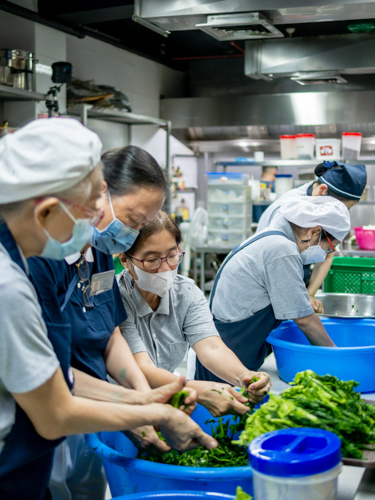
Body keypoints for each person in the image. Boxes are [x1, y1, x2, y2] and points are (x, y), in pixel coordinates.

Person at [0, 119, 216, 500]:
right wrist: (154, 412)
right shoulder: (13, 284)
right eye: (88, 213)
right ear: (46, 212)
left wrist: (140, 397)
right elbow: (54, 413)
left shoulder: (22, 256)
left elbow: (62, 369)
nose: (94, 225)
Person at [117, 211, 272, 417]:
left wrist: (245, 377)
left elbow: (212, 348)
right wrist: (196, 389)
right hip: (122, 403)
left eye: (172, 256)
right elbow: (141, 368)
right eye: (152, 260)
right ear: (125, 260)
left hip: (169, 396)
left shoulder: (186, 292)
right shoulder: (115, 299)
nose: (165, 269)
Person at [195, 196, 351, 383]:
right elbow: (304, 320)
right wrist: (338, 357)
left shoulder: (273, 236)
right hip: (227, 356)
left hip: (232, 346)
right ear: (314, 231)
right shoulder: (282, 249)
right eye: (329, 247)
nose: (326, 253)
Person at [257, 161, 367, 312]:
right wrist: (301, 301)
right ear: (322, 190)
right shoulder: (287, 212)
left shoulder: (320, 202)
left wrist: (309, 294)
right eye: (339, 208)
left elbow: (329, 252)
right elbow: (277, 269)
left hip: (294, 281)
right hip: (268, 287)